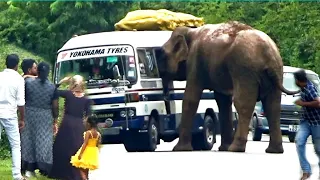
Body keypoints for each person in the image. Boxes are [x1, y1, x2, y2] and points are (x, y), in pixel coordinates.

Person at [49, 75, 92, 180]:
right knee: (77, 148)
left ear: (71, 84)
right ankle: (79, 173)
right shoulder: (86, 99)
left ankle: (62, 173)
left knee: (62, 148)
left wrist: (61, 81)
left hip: (67, 123)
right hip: (79, 125)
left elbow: (52, 91)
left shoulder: (68, 94)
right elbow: (88, 116)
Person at [20, 62, 59, 178]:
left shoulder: (28, 83)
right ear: (48, 73)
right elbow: (55, 106)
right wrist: (55, 120)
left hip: (29, 114)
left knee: (28, 140)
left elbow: (22, 98)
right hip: (45, 116)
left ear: (38, 71)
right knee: (44, 141)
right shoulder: (52, 87)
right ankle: (44, 168)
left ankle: (28, 168)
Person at [0, 54, 26, 180]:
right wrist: (22, 119)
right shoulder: (18, 79)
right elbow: (21, 103)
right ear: (16, 65)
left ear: (6, 63)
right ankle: (16, 175)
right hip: (10, 114)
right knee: (15, 145)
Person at [293, 69, 320, 180]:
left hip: (316, 123)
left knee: (318, 149)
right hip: (305, 122)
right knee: (299, 142)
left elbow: (318, 102)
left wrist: (303, 103)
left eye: (295, 80)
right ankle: (306, 170)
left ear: (299, 80)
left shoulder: (310, 88)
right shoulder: (303, 88)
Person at [70, 115, 101, 180]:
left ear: (89, 124)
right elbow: (97, 145)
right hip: (93, 151)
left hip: (86, 151)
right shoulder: (98, 134)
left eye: (86, 122)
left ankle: (85, 179)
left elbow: (85, 143)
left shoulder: (88, 132)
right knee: (86, 169)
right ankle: (86, 178)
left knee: (79, 166)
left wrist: (81, 154)